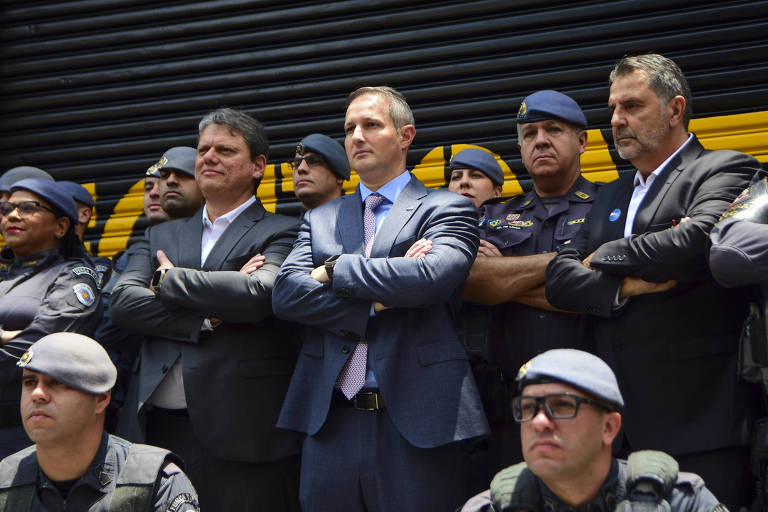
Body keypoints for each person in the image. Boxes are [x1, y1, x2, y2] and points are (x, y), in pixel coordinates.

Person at [545, 53, 763, 509]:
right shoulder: (611, 192)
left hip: (701, 421)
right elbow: (560, 280)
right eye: (612, 109)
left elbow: (695, 244)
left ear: (675, 109)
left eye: (632, 106)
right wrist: (624, 286)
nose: (617, 120)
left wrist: (602, 256)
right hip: (614, 430)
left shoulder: (725, 168)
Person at [272, 86, 488, 511]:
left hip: (418, 421)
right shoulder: (319, 218)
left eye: (371, 125)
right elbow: (286, 295)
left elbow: (431, 277)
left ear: (405, 136)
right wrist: (383, 297)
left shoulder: (447, 207)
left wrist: (333, 270)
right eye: (349, 127)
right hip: (331, 421)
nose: (356, 136)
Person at [110, 108, 302, 510]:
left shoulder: (283, 229)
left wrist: (167, 281)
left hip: (242, 435)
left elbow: (258, 295)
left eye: (225, 150)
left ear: (258, 166)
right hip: (153, 431)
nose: (209, 157)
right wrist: (209, 317)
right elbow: (125, 303)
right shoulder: (161, 231)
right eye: (204, 149)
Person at [462, 90, 601, 474]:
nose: (540, 140)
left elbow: (604, 291)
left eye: (553, 129)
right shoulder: (492, 215)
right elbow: (470, 282)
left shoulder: (611, 205)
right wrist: (570, 268)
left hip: (590, 407)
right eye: (529, 133)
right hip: (508, 413)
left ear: (582, 141)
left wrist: (504, 276)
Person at [461, 349, 726, 511]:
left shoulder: (679, 502)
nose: (540, 422)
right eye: (529, 408)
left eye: (562, 405)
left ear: (609, 427)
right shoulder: (492, 507)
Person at [0, 331, 199, 511]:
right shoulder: (4, 480)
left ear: (101, 398)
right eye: (29, 382)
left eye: (57, 382)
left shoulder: (156, 483)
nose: (37, 394)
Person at [0, 178, 103, 459]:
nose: (12, 214)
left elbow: (40, 348)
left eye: (28, 207)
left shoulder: (75, 276)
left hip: (26, 434)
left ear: (60, 226)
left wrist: (15, 339)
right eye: (6, 207)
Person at [291, 133, 350, 211]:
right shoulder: (286, 223)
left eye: (313, 161)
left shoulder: (364, 221)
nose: (300, 169)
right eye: (297, 164)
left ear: (339, 176)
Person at [147, 146, 205, 219]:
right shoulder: (153, 230)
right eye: (164, 175)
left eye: (182, 174)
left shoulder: (220, 229)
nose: (170, 180)